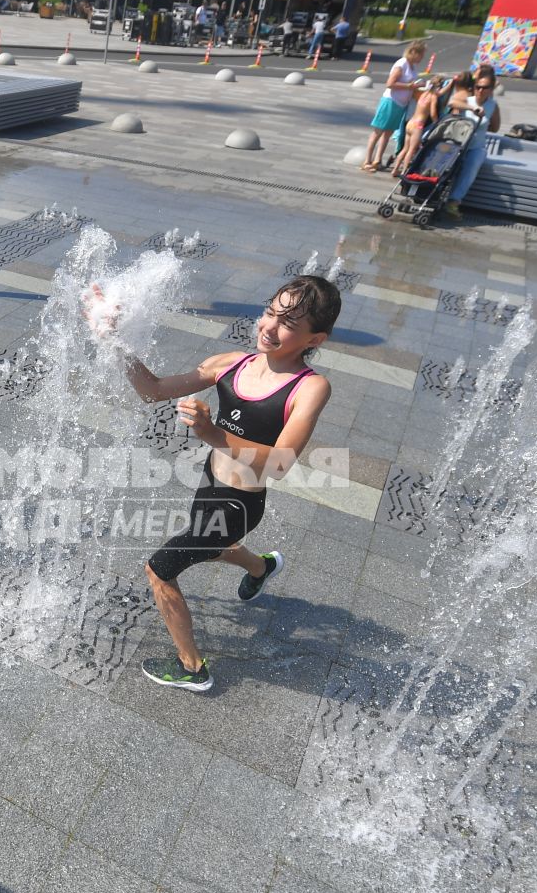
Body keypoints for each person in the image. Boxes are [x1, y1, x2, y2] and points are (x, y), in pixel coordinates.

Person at [87, 275, 340, 692]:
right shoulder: (232, 364)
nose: (270, 327)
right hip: (210, 485)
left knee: (160, 570)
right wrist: (112, 340)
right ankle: (262, 567)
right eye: (270, 312)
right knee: (212, 544)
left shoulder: (310, 388)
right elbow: (152, 390)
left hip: (239, 504)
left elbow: (280, 463)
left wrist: (213, 434)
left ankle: (191, 668)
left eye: (288, 324)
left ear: (316, 338)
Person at [442, 65, 503, 219]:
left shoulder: (493, 106)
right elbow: (452, 103)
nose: (480, 90)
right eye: (478, 86)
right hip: (458, 143)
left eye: (485, 87)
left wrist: (484, 124)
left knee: (473, 163)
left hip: (476, 146)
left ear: (491, 89)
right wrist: (472, 108)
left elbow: (495, 128)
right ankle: (429, 189)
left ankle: (453, 202)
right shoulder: (467, 99)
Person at [393, 71, 475, 175]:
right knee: (411, 150)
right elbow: (432, 113)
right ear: (438, 87)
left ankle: (395, 169)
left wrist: (450, 84)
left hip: (410, 123)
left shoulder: (424, 94)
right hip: (418, 125)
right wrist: (437, 122)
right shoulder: (433, 97)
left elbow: (439, 92)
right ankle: (404, 171)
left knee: (405, 148)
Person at [363, 41, 426, 171]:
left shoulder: (412, 66)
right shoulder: (402, 63)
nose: (422, 58)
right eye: (421, 55)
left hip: (401, 104)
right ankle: (367, 160)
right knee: (378, 132)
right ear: (414, 53)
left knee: (388, 133)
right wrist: (410, 86)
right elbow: (390, 83)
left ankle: (377, 160)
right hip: (391, 101)